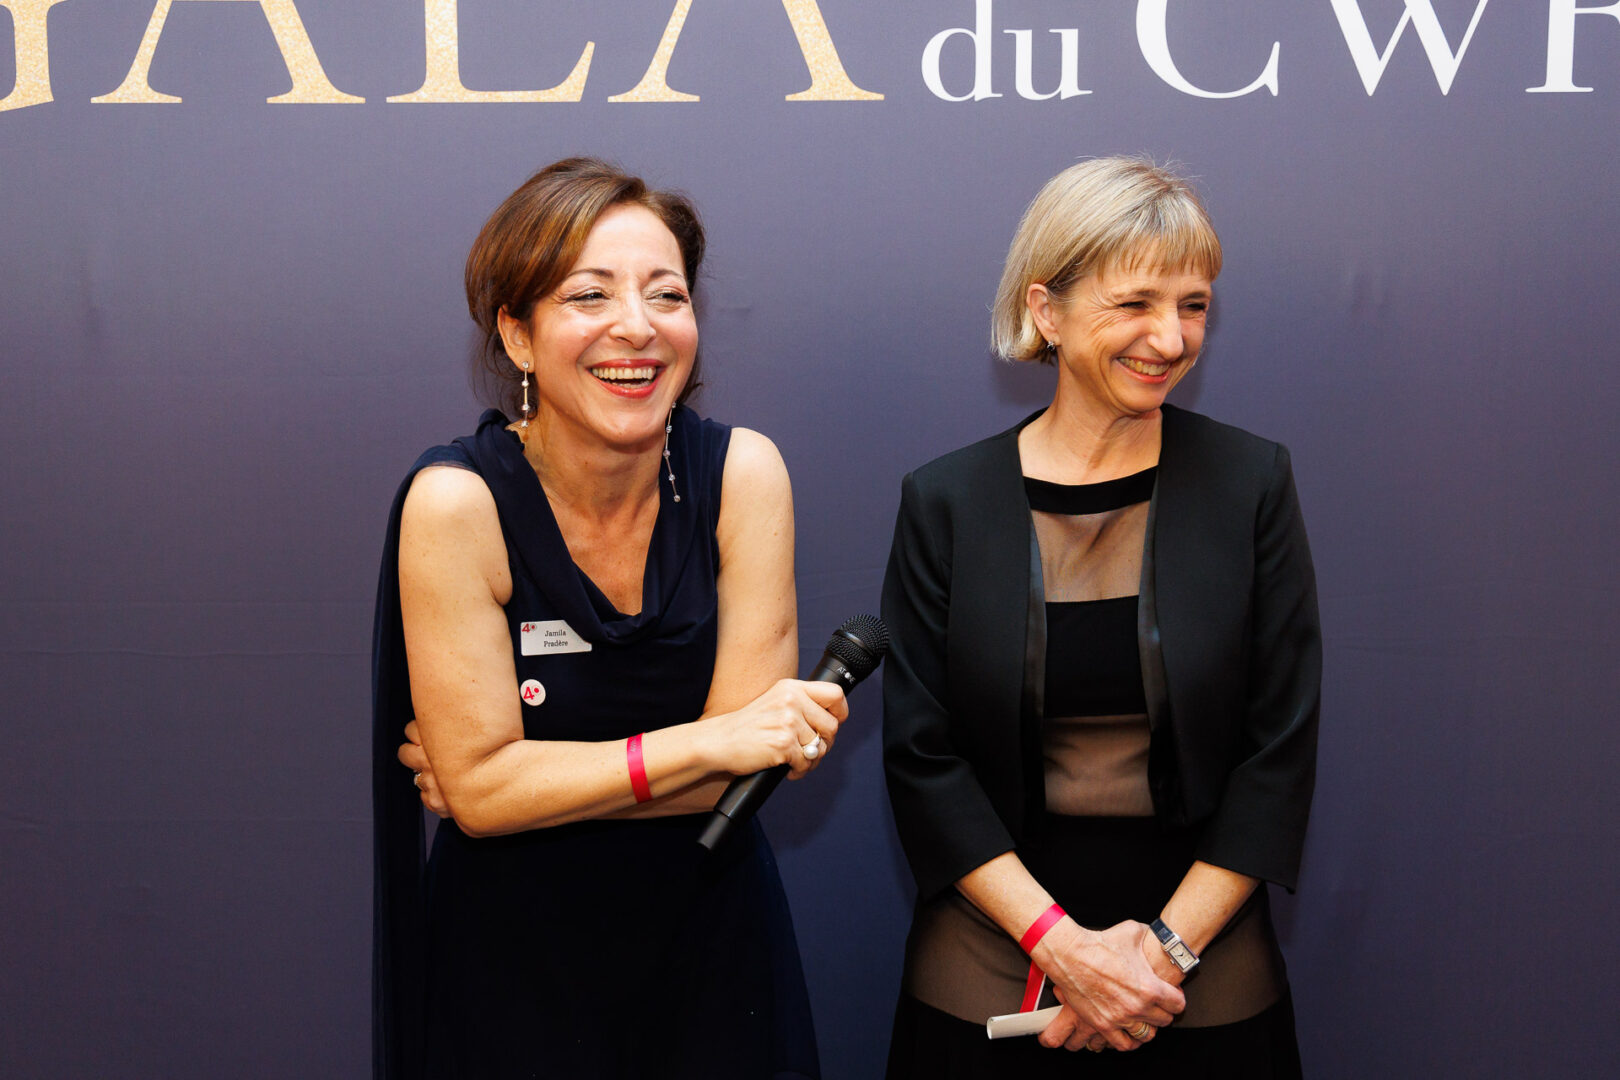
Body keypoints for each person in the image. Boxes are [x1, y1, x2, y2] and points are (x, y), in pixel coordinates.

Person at [371, 158, 846, 1080]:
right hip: (512, 968)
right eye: (589, 295)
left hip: (712, 949)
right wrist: (707, 741)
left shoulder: (743, 474)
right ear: (517, 334)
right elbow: (487, 795)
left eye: (667, 294)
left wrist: (523, 781)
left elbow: (740, 780)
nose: (637, 325)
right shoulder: (457, 502)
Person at [881, 157, 1321, 1078]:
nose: (1170, 337)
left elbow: (1277, 751)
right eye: (1135, 304)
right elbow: (923, 759)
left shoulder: (1251, 484)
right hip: (994, 939)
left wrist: (1159, 955)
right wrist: (1062, 947)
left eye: (1193, 305)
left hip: (1199, 951)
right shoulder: (947, 500)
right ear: (1047, 311)